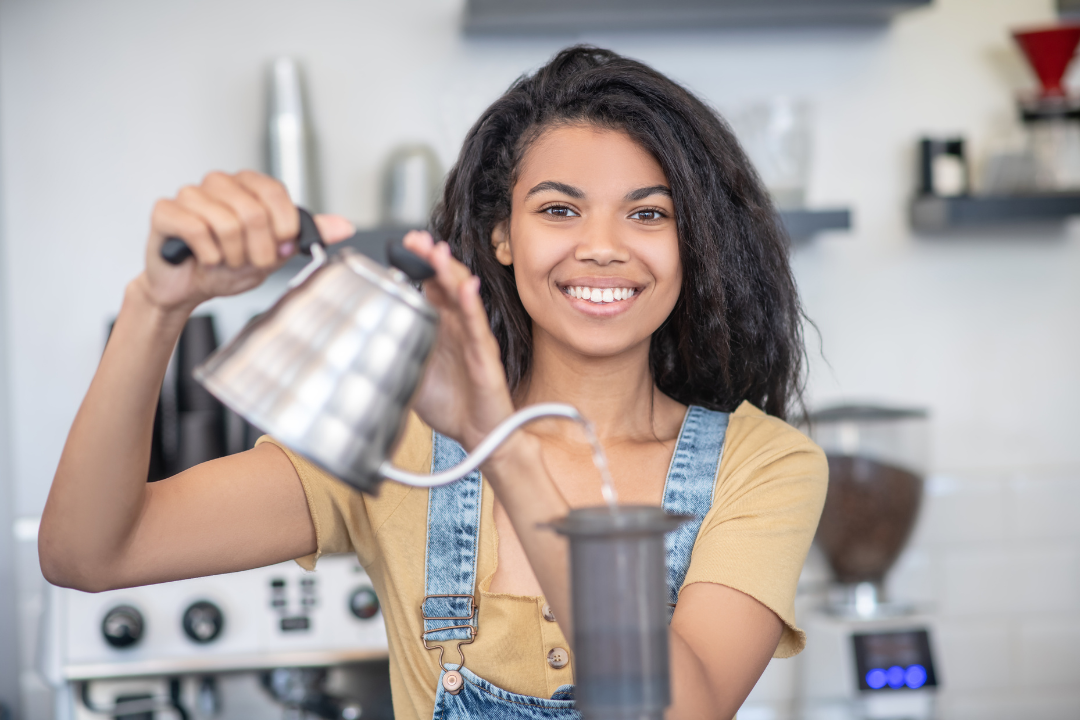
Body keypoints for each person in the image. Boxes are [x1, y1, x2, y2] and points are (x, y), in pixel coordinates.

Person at [40, 46, 826, 720]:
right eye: (559, 210)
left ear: (695, 243)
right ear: (503, 237)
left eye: (648, 215)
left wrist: (500, 444)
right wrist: (158, 305)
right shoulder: (402, 439)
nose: (601, 248)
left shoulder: (763, 466)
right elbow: (90, 552)